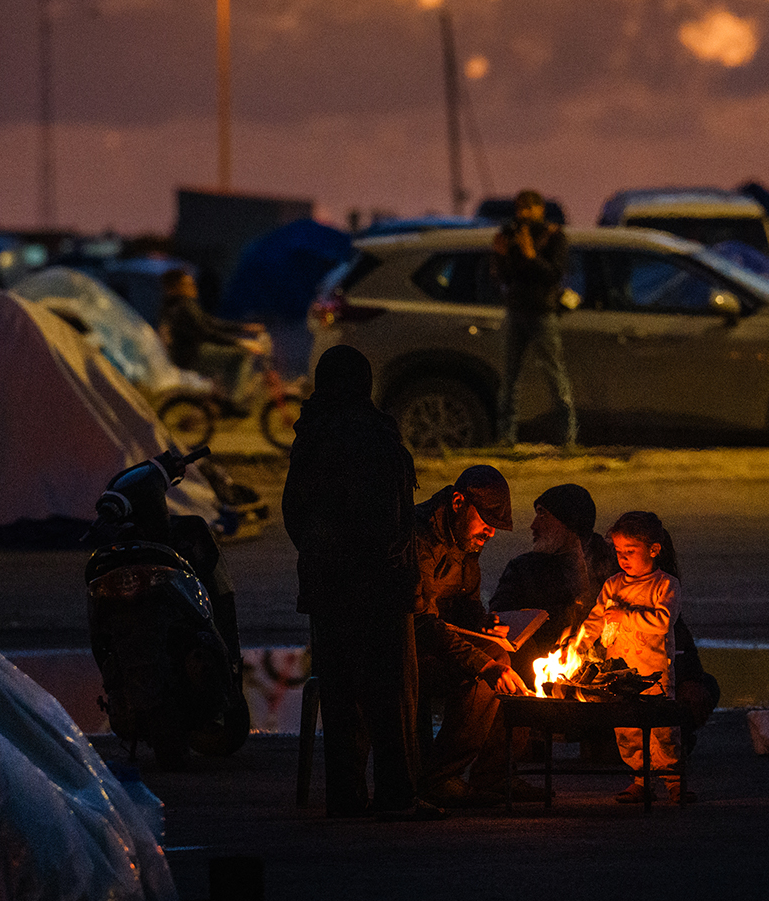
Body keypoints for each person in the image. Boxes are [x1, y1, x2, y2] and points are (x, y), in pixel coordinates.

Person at [281, 345, 442, 820]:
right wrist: (387, 564)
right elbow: (386, 519)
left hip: (327, 588)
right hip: (377, 588)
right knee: (391, 695)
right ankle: (397, 795)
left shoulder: (310, 433)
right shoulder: (371, 434)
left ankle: (347, 796)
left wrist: (319, 557)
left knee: (341, 694)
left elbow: (295, 513)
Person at [410, 464, 536, 806]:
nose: (490, 534)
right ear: (457, 503)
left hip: (439, 639)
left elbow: (466, 600)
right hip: (407, 648)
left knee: (518, 659)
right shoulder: (420, 539)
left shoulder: (465, 541)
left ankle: (493, 774)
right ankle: (438, 778)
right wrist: (483, 661)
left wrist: (484, 625)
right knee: (489, 669)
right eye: (486, 523)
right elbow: (422, 623)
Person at [568, 511, 690, 803]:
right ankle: (640, 780)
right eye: (619, 552)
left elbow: (662, 621)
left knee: (662, 731)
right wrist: (579, 645)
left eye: (630, 552)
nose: (623, 558)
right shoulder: (613, 585)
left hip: (654, 672)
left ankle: (674, 783)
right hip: (619, 676)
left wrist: (626, 615)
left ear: (654, 550)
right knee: (628, 730)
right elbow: (596, 619)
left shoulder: (665, 585)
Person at [487, 483, 599, 687]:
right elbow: (498, 620)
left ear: (568, 522)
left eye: (542, 515)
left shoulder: (611, 561)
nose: (533, 525)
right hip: (536, 676)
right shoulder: (524, 569)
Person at [491, 190, 577, 446]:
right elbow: (506, 278)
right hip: (517, 310)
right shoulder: (513, 234)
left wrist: (531, 255)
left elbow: (554, 274)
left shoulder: (553, 236)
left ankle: (568, 437)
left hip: (543, 312)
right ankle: (506, 436)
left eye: (529, 208)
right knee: (510, 378)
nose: (524, 214)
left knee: (555, 374)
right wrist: (502, 255)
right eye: (520, 208)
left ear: (540, 209)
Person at [159, 270, 267, 406]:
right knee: (240, 355)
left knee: (228, 364)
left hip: (188, 353)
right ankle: (233, 402)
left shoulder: (184, 305)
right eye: (187, 284)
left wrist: (244, 327)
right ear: (175, 288)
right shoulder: (182, 308)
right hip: (191, 355)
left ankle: (220, 401)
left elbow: (211, 323)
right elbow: (207, 333)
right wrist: (240, 342)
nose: (193, 287)